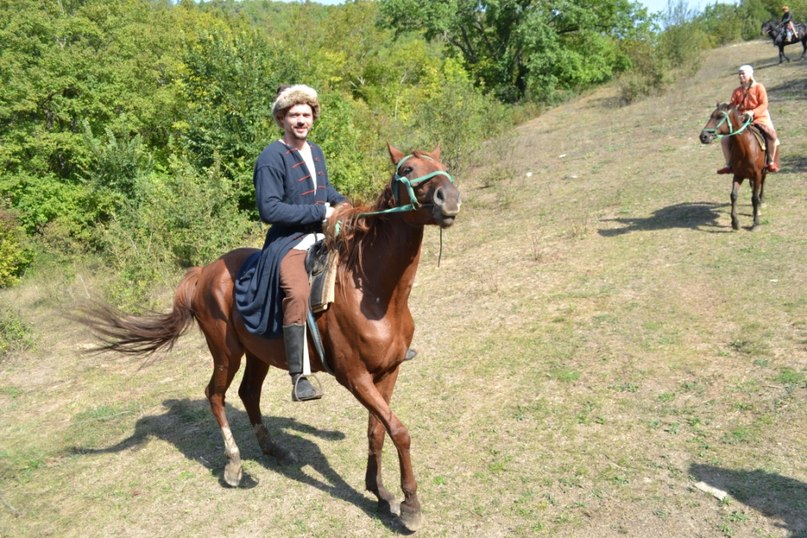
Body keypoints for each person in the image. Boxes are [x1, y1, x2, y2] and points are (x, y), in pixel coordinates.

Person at [236, 84, 348, 402]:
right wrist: (320, 211)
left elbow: (323, 190)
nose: (301, 120)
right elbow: (269, 210)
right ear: (282, 119)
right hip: (288, 242)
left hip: (322, 236)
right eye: (294, 115)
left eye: (306, 115)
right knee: (298, 293)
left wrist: (343, 203)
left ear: (313, 118)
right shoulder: (270, 157)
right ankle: (299, 375)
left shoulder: (315, 151)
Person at [717, 65, 779, 175]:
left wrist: (752, 112)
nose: (741, 76)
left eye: (743, 73)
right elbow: (733, 105)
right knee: (724, 140)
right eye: (739, 74)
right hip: (742, 120)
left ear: (750, 74)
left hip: (760, 118)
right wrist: (726, 105)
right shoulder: (737, 91)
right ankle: (728, 165)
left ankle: (770, 162)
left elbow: (764, 104)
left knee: (772, 136)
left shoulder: (759, 87)